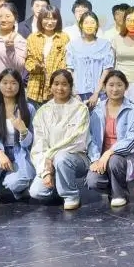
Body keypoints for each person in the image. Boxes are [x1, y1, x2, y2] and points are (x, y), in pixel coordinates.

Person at [28, 70, 90, 210]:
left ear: (71, 86)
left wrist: (51, 156)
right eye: (56, 84)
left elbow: (76, 140)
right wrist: (46, 172)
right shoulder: (43, 111)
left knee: (61, 158)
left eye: (64, 84)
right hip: (48, 162)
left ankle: (71, 195)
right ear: (50, 86)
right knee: (36, 192)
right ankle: (59, 185)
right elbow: (39, 144)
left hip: (76, 158)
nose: (60, 88)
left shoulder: (80, 109)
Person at [85, 71, 134, 207]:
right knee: (92, 181)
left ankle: (119, 195)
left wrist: (109, 152)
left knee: (114, 160)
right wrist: (95, 159)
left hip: (124, 158)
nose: (115, 89)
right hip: (101, 159)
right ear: (104, 87)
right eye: (111, 85)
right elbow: (91, 138)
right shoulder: (97, 110)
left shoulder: (133, 110)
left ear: (126, 87)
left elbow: (132, 141)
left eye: (119, 85)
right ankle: (115, 189)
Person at [0, 68, 37, 206]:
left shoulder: (29, 109)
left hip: (21, 153)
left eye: (13, 83)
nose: (9, 86)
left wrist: (23, 130)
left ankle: (11, 185)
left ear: (20, 85)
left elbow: (33, 142)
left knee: (15, 183)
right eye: (5, 82)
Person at [24, 5, 70, 106]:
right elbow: (28, 60)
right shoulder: (33, 37)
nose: (50, 22)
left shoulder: (64, 38)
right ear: (40, 19)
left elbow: (66, 61)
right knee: (34, 115)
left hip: (56, 88)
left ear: (58, 20)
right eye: (46, 18)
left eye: (53, 19)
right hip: (35, 88)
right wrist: (35, 67)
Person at [66, 11, 114, 107]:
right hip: (77, 94)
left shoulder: (105, 44)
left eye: (92, 22)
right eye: (86, 23)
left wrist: (96, 93)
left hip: (99, 94)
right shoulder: (72, 45)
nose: (89, 25)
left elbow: (106, 71)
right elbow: (70, 70)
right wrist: (74, 93)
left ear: (97, 25)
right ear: (81, 25)